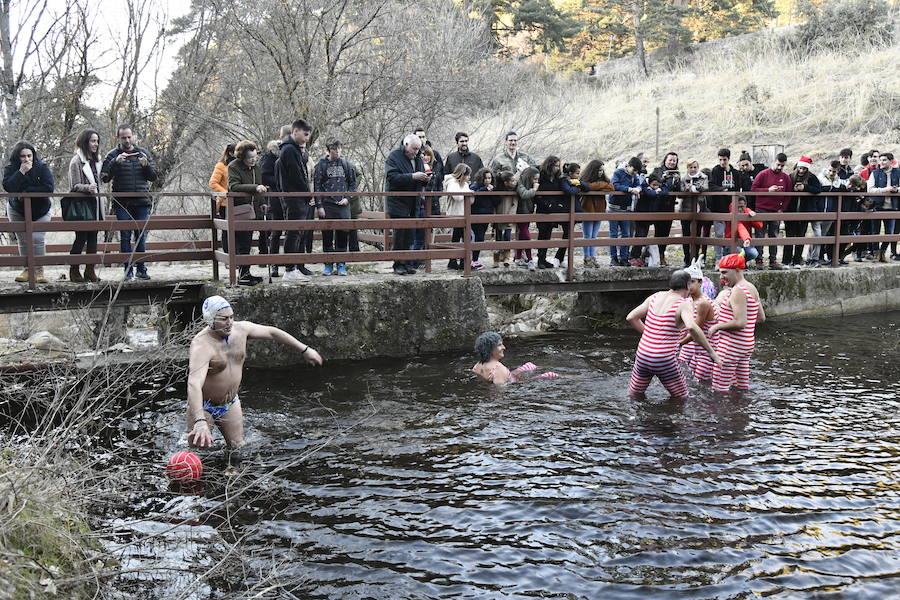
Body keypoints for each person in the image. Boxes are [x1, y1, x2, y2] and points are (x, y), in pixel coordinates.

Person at [186, 295, 323, 448]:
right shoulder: (202, 345)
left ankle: (232, 472)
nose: (230, 323)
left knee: (238, 447)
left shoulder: (241, 330)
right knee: (198, 453)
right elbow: (194, 383)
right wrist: (199, 420)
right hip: (204, 406)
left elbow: (271, 332)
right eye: (224, 319)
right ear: (210, 320)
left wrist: (304, 349)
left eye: (231, 317)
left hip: (230, 403)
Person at [626, 269, 719, 400]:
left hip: (642, 354)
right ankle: (674, 420)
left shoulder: (655, 296)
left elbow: (631, 317)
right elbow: (692, 327)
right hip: (664, 358)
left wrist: (650, 333)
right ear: (687, 286)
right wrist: (712, 352)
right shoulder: (683, 303)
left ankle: (636, 418)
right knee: (682, 397)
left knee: (635, 393)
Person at [100, 125, 158, 280]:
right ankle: (127, 271)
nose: (127, 140)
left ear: (133, 136)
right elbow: (105, 178)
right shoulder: (112, 155)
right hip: (122, 203)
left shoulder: (143, 153)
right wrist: (115, 163)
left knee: (140, 236)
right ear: (118, 138)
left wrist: (146, 166)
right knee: (125, 236)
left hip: (142, 201)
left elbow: (153, 177)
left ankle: (141, 269)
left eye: (129, 137)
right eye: (123, 137)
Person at [709, 252, 765, 393]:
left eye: (724, 273)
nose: (721, 277)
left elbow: (740, 322)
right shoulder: (752, 288)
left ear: (738, 270)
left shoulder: (738, 291)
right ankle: (740, 413)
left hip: (730, 346)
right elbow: (761, 317)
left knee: (718, 390)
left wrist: (718, 326)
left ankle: (724, 414)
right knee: (741, 387)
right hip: (745, 345)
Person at [2, 141, 54, 284]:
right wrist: (21, 172)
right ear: (17, 157)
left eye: (29, 155)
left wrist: (27, 192)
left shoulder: (42, 167)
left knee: (37, 237)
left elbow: (49, 188)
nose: (26, 159)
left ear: (33, 155)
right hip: (17, 209)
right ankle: (27, 269)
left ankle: (39, 270)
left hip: (41, 209)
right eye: (23, 156)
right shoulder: (11, 168)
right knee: (23, 238)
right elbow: (9, 187)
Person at [277, 119, 317, 280]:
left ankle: (293, 268)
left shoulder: (293, 150)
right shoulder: (289, 150)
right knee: (293, 233)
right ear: (295, 132)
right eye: (305, 134)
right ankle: (290, 269)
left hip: (298, 197)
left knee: (298, 233)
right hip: (294, 198)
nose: (307, 138)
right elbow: (296, 176)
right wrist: (307, 193)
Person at [385, 133, 429, 275]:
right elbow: (392, 178)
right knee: (400, 235)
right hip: (398, 202)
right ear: (406, 145)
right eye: (414, 149)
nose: (416, 152)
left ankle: (408, 263)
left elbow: (421, 175)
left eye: (418, 149)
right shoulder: (394, 157)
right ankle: (398, 264)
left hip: (413, 202)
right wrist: (412, 176)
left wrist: (425, 179)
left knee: (410, 234)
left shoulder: (418, 159)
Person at [314, 138, 357, 276]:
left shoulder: (346, 164)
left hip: (343, 205)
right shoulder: (321, 165)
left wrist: (347, 198)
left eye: (339, 148)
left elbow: (353, 185)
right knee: (327, 235)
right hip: (327, 205)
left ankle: (341, 264)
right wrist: (319, 205)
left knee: (343, 234)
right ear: (328, 150)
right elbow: (317, 186)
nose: (337, 151)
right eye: (334, 148)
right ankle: (328, 264)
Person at [65, 129, 104, 283]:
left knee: (93, 237)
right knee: (81, 238)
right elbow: (74, 185)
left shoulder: (97, 161)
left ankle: (90, 271)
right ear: (85, 142)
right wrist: (87, 188)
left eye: (97, 141)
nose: (96, 144)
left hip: (95, 204)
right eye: (93, 141)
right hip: (82, 205)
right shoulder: (76, 161)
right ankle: (74, 271)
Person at [227, 140, 267, 286]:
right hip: (240, 210)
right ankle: (243, 275)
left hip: (254, 209)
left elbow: (260, 186)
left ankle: (246, 273)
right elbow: (234, 186)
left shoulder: (256, 168)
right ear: (242, 156)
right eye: (250, 158)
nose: (253, 160)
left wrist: (262, 203)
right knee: (243, 243)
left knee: (249, 241)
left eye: (255, 157)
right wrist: (255, 187)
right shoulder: (233, 167)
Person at [535, 157, 584, 269]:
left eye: (558, 166)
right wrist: (546, 204)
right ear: (549, 165)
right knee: (542, 234)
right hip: (543, 209)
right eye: (555, 165)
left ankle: (545, 259)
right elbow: (536, 195)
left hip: (554, 209)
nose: (557, 168)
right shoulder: (542, 176)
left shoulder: (557, 178)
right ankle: (540, 260)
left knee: (548, 234)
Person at [678, 258, 718, 382]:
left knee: (701, 384)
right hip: (697, 350)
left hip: (707, 351)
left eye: (691, 282)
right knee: (690, 381)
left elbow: (694, 331)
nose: (688, 286)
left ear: (700, 282)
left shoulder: (703, 303)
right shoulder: (689, 300)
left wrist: (676, 344)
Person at [751, 152, 792, 270]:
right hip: (762, 209)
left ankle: (773, 260)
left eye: (782, 166)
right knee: (760, 235)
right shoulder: (763, 174)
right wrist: (767, 190)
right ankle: (759, 260)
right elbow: (753, 189)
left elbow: (788, 195)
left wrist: (782, 208)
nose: (779, 168)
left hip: (776, 210)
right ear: (773, 162)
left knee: (774, 235)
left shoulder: (785, 177)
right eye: (778, 164)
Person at [471, 331, 558, 385]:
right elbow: (499, 394)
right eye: (499, 345)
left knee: (529, 365)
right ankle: (569, 377)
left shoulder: (477, 366)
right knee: (550, 374)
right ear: (490, 349)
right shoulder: (498, 369)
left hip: (511, 376)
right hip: (516, 381)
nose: (504, 347)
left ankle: (544, 367)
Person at [783, 156, 822, 268]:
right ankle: (786, 261)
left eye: (804, 169)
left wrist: (805, 188)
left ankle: (797, 261)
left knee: (801, 236)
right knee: (789, 236)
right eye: (800, 168)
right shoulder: (790, 176)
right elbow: (786, 189)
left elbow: (818, 189)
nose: (801, 171)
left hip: (804, 211)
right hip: (790, 211)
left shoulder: (812, 177)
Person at [708, 148, 740, 264]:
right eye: (720, 159)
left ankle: (731, 258)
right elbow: (711, 186)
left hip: (731, 208)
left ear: (728, 159)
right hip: (718, 207)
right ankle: (718, 258)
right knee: (719, 234)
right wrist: (723, 189)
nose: (722, 162)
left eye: (724, 159)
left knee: (732, 234)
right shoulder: (715, 171)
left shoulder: (735, 173)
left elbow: (738, 188)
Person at [580, 159, 614, 268]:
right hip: (588, 210)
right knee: (587, 235)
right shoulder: (585, 179)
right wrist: (600, 186)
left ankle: (593, 257)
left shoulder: (603, 180)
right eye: (599, 170)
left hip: (599, 210)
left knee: (594, 235)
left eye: (602, 171)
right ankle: (587, 258)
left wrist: (597, 185)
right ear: (593, 170)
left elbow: (611, 187)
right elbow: (586, 186)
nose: (601, 173)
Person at [609, 157, 642, 267]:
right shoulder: (618, 172)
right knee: (613, 234)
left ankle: (624, 258)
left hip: (626, 208)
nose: (635, 173)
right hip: (614, 207)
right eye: (634, 170)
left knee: (626, 234)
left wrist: (638, 188)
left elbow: (638, 184)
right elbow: (615, 185)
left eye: (637, 171)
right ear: (629, 166)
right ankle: (613, 258)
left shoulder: (634, 176)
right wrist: (629, 189)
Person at [678, 160, 708, 267]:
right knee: (685, 235)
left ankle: (694, 258)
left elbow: (706, 188)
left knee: (697, 234)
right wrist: (685, 190)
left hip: (699, 209)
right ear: (687, 168)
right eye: (691, 167)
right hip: (686, 209)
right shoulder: (683, 178)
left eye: (695, 167)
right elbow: (679, 194)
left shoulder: (703, 177)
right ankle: (687, 258)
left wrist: (699, 187)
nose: (693, 169)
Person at [442, 163, 471, 270]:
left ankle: (460, 260)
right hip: (455, 213)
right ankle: (454, 260)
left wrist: (465, 190)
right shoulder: (451, 182)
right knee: (458, 236)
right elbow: (457, 197)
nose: (468, 178)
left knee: (464, 237)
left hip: (464, 213)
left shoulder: (465, 184)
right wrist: (466, 191)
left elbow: (471, 199)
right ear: (462, 174)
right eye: (467, 175)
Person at [209, 143, 236, 254]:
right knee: (227, 230)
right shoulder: (221, 166)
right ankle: (228, 256)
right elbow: (213, 183)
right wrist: (226, 193)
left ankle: (237, 256)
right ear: (231, 153)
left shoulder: (240, 165)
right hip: (225, 203)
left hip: (239, 203)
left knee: (238, 230)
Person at [470, 167, 496, 270]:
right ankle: (473, 261)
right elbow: (472, 193)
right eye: (486, 178)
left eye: (489, 178)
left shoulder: (492, 187)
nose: (488, 180)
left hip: (486, 215)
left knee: (480, 237)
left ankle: (475, 260)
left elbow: (495, 201)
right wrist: (484, 190)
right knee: (477, 237)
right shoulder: (475, 185)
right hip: (476, 215)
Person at [514, 166, 539, 270]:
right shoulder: (520, 182)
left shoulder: (531, 184)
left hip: (528, 211)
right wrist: (534, 189)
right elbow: (524, 194)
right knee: (526, 235)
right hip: (520, 212)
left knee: (522, 235)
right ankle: (530, 259)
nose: (536, 181)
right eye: (535, 179)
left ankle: (518, 257)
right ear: (529, 177)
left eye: (538, 179)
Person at [492, 170, 517, 268]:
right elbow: (493, 205)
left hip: (508, 218)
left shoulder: (513, 192)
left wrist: (511, 217)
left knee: (507, 237)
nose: (514, 183)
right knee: (497, 238)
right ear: (505, 182)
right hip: (498, 217)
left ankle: (507, 258)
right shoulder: (497, 191)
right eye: (512, 181)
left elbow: (514, 205)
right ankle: (496, 259)